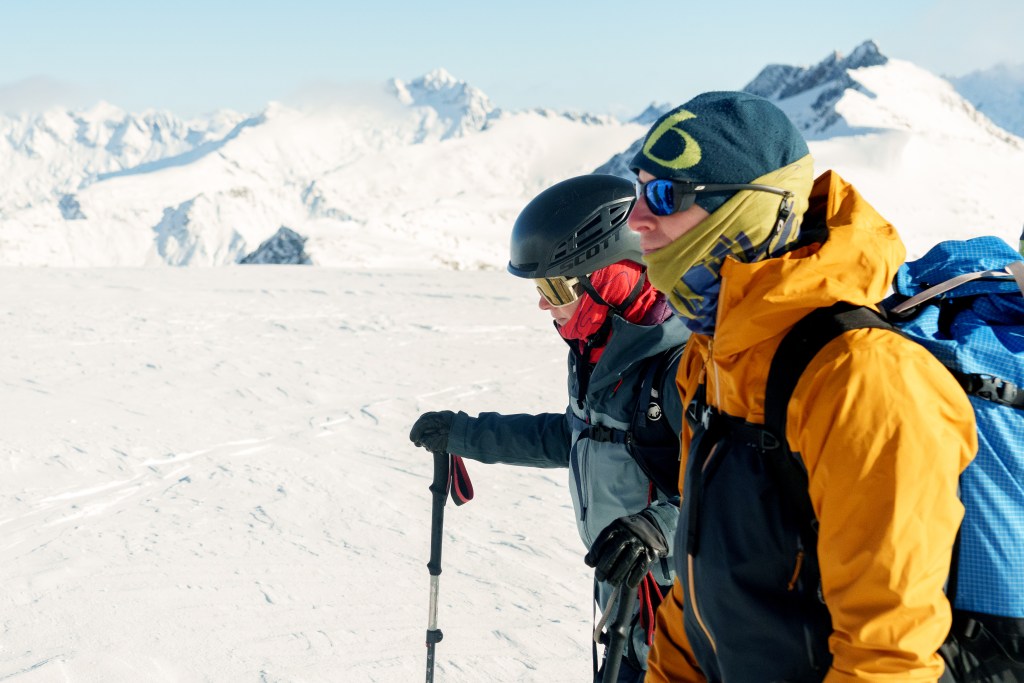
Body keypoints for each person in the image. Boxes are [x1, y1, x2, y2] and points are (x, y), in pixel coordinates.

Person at [623, 91, 978, 682]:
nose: (637, 218)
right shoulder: (711, 360)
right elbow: (699, 582)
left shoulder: (863, 380)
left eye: (664, 196)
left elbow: (886, 653)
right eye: (638, 188)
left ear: (747, 211)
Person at [409, 173, 690, 682]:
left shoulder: (680, 369)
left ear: (612, 280)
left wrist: (654, 528)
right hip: (625, 608)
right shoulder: (595, 355)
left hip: (684, 626)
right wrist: (463, 434)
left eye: (554, 287)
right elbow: (573, 436)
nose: (543, 303)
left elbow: (733, 495)